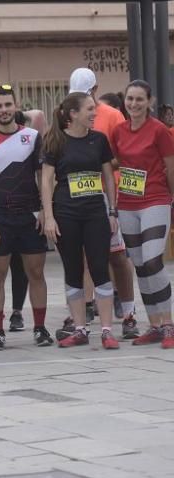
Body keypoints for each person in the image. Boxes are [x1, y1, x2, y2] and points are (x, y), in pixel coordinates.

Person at [0, 84, 52, 350]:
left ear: (16, 106)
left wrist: (44, 210)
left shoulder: (32, 136)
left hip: (29, 215)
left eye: (8, 105)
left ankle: (40, 328)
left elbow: (44, 177)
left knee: (36, 272)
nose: (4, 110)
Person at [40, 92, 121, 350]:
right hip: (66, 213)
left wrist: (112, 211)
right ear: (73, 113)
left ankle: (107, 330)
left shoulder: (98, 140)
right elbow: (45, 181)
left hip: (95, 212)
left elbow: (108, 176)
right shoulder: (56, 141)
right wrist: (49, 217)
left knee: (99, 268)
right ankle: (80, 329)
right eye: (89, 109)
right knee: (73, 271)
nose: (94, 113)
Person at [69, 67, 138, 330]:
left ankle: (128, 311)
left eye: (85, 96)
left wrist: (105, 166)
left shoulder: (112, 116)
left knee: (118, 257)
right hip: (78, 198)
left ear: (95, 90)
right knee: (85, 256)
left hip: (110, 195)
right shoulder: (67, 113)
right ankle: (86, 306)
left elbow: (126, 152)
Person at [109, 81, 174, 348]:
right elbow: (114, 161)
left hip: (156, 199)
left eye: (139, 99)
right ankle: (154, 325)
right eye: (129, 99)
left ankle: (169, 325)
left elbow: (171, 168)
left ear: (149, 101)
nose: (133, 104)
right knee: (139, 264)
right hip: (128, 203)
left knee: (152, 260)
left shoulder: (159, 131)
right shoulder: (118, 131)